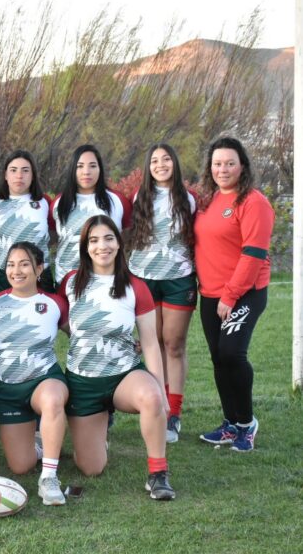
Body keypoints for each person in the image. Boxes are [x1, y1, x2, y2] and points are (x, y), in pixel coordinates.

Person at [60, 215, 174, 501]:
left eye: (109, 238)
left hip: (124, 375)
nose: (102, 246)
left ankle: (158, 474)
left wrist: (161, 389)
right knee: (90, 468)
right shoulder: (70, 283)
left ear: (119, 243)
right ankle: (100, 429)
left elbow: (149, 342)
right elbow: (59, 321)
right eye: (94, 240)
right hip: (83, 382)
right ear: (85, 247)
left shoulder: (136, 287)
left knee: (151, 397)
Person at [194, 137, 274, 452]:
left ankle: (246, 423)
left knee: (231, 353)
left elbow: (253, 254)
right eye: (217, 163)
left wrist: (231, 295)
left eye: (229, 163)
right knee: (218, 358)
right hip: (210, 293)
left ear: (242, 166)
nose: (223, 169)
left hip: (244, 292)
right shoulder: (208, 200)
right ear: (209, 167)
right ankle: (229, 424)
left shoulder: (254, 202)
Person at [0, 242, 69, 506]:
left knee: (52, 399)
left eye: (25, 264)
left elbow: (80, 334)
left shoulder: (53, 303)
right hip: (8, 389)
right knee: (20, 466)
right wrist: (1, 355)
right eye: (11, 264)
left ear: (39, 269)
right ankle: (43, 441)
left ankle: (49, 477)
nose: (16, 270)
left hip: (44, 379)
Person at [127, 144, 197, 443]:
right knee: (151, 344)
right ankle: (158, 406)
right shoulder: (138, 197)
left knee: (174, 344)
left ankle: (174, 414)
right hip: (144, 277)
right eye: (154, 160)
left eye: (166, 159)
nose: (160, 164)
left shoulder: (188, 199)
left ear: (175, 163)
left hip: (179, 278)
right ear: (148, 166)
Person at [53, 144, 131, 285]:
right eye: (80, 166)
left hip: (107, 282)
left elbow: (126, 238)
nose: (86, 172)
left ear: (100, 169)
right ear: (72, 169)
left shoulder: (117, 201)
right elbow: (51, 236)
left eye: (92, 166)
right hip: (66, 281)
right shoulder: (59, 202)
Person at [0, 149, 54, 292]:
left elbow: (52, 237)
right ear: (5, 175)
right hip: (4, 277)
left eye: (25, 170)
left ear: (33, 174)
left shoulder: (45, 202)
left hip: (39, 275)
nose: (19, 176)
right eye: (13, 170)